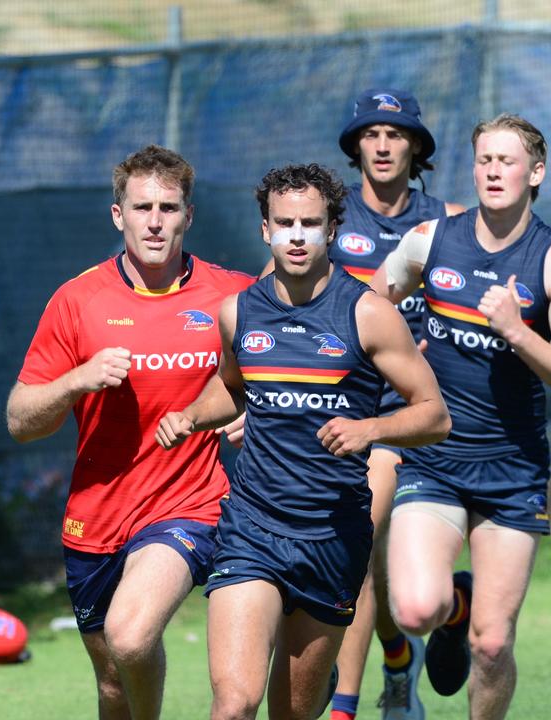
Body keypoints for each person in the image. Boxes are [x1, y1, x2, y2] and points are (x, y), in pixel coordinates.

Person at [154, 163, 450, 720]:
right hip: (253, 527)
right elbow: (233, 386)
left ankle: (323, 675)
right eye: (283, 223)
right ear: (264, 229)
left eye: (309, 223)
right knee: (235, 703)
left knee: (292, 713)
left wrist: (371, 429)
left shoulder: (369, 314)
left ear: (331, 229)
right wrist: (192, 415)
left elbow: (435, 416)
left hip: (332, 535)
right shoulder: (238, 311)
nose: (296, 235)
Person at [6, 145, 255, 719]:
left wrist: (252, 409)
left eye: (169, 208)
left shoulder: (232, 295)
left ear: (189, 216)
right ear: (117, 214)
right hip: (94, 516)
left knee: (132, 633)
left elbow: (285, 369)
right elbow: (20, 420)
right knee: (113, 684)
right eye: (142, 207)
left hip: (190, 505)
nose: (155, 221)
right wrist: (76, 381)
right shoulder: (77, 300)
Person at [372, 114, 551, 720]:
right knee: (415, 610)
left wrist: (518, 334)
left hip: (512, 470)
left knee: (493, 645)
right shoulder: (429, 239)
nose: (494, 171)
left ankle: (474, 627)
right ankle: (456, 607)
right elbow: (368, 309)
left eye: (508, 160)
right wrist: (399, 360)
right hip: (437, 459)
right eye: (484, 160)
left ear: (536, 173)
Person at [330, 87, 464, 720]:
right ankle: (400, 658)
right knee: (376, 567)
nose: (383, 145)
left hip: (410, 417)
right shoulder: (326, 219)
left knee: (355, 548)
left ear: (417, 147)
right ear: (356, 146)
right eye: (371, 134)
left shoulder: (449, 224)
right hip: (341, 409)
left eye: (397, 134)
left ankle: (345, 707)